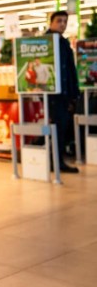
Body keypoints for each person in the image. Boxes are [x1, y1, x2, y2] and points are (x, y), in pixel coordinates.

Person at [46, 10, 80, 172]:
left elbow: (70, 70)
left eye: (65, 21)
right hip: (52, 95)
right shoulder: (45, 42)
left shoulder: (64, 43)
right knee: (56, 129)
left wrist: (74, 94)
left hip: (65, 94)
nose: (62, 24)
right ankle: (55, 162)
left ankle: (57, 160)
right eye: (59, 21)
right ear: (51, 22)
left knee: (62, 128)